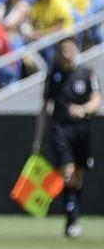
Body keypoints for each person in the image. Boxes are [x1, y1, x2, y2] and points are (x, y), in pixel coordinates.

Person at [33, 38, 101, 238]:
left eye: (69, 50)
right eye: (62, 51)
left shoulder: (87, 74)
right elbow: (45, 108)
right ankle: (72, 220)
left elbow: (97, 99)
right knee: (68, 172)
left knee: (78, 176)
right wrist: (38, 138)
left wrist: (84, 109)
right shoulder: (53, 75)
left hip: (82, 130)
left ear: (76, 51)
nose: (66, 54)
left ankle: (73, 218)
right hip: (60, 129)